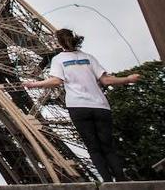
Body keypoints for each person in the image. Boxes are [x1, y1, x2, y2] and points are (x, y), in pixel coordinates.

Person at [23, 28, 141, 182]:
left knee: (93, 148)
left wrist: (33, 84)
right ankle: (121, 180)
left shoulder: (58, 59)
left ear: (58, 42)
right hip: (100, 106)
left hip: (78, 107)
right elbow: (106, 80)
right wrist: (128, 79)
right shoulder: (88, 57)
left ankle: (107, 183)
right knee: (108, 147)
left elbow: (56, 81)